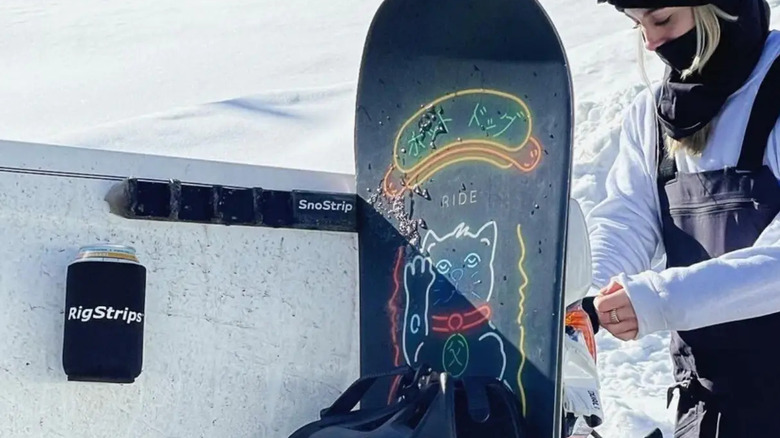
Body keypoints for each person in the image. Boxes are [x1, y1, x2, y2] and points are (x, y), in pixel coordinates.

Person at [582, 0, 780, 435]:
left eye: (663, 19)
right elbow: (627, 217)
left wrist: (661, 299)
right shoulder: (655, 116)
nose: (651, 42)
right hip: (709, 405)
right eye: (638, 26)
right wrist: (589, 296)